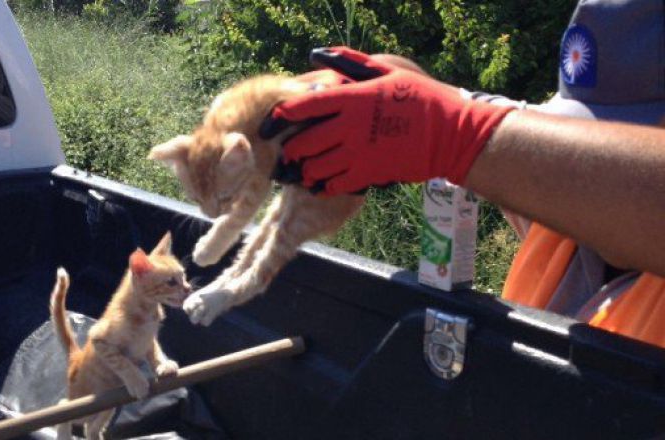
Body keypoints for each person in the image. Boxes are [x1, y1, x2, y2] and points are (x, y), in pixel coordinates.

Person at [261, 0, 665, 347]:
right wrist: (398, 90)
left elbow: (476, 134)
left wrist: (452, 135)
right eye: (577, 133)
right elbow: (498, 131)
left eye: (617, 135)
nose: (577, 162)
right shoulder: (567, 213)